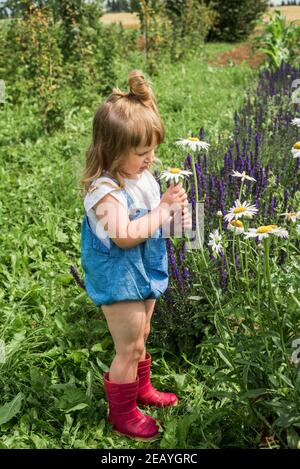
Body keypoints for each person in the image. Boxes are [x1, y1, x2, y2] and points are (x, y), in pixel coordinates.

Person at [80, 70, 191, 441]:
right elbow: (126, 236)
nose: (150, 160)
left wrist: (177, 218)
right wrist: (161, 211)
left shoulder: (141, 177)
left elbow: (156, 224)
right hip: (118, 275)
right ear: (112, 151)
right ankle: (122, 412)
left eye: (152, 151)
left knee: (142, 333)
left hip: (143, 269)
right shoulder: (104, 192)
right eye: (142, 154)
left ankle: (141, 389)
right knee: (127, 346)